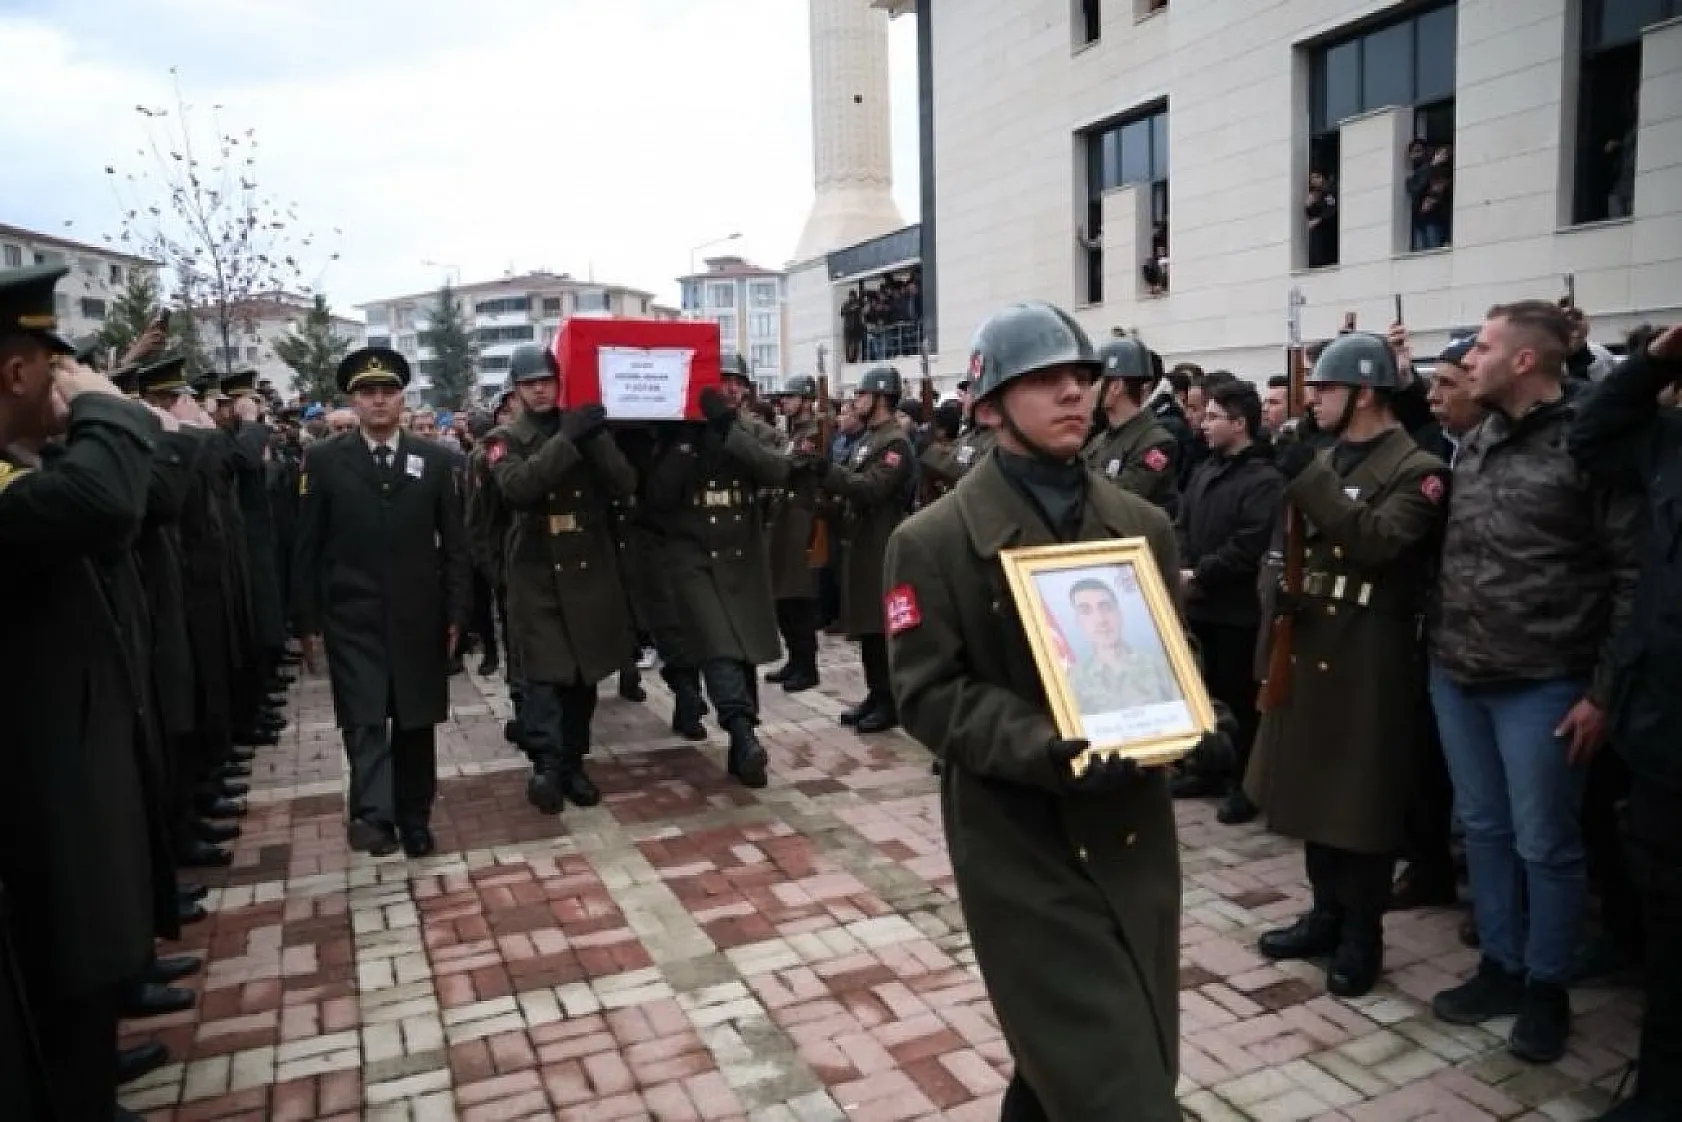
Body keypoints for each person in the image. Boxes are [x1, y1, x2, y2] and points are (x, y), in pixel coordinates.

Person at [884, 299, 1231, 1121]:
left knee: (1106, 1051)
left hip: (1133, 829)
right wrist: (1050, 744)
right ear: (992, 405)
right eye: (1044, 381)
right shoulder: (931, 541)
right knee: (1119, 1085)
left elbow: (1164, 653)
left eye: (1081, 377)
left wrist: (1199, 719)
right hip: (1021, 839)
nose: (1074, 393)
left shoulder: (1140, 524)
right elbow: (928, 695)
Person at [1428, 301, 1639, 1064]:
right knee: (1482, 830)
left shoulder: (1588, 445)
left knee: (1545, 844)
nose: (1467, 359)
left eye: (1481, 347)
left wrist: (1603, 691)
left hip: (1544, 682)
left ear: (1523, 361)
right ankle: (1501, 964)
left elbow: (1631, 575)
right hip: (1459, 671)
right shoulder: (1477, 438)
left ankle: (1546, 988)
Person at [1245, 331, 1450, 999]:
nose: (1314, 402)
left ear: (1364, 393)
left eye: (1327, 390)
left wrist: (1309, 476)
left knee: (1358, 799)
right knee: (1310, 789)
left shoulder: (1417, 468)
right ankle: (1325, 913)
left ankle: (1363, 933)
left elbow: (1377, 542)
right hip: (1308, 639)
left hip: (1368, 648)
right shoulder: (1326, 454)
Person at [0, 262, 159, 1121]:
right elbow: (103, 503)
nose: (68, 378)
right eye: (53, 362)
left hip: (54, 757)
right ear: (18, 372)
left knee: (74, 949)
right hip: (30, 777)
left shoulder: (22, 462)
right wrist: (109, 404)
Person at [292, 346, 470, 857]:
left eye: (387, 393)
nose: (378, 402)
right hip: (352, 616)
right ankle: (373, 815)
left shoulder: (435, 460)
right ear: (353, 400)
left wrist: (459, 613)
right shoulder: (325, 460)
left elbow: (455, 546)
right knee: (365, 717)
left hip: (418, 616)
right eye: (368, 393)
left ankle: (414, 815)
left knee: (414, 720)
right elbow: (307, 544)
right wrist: (306, 618)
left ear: (401, 400)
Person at [1569, 324, 1682, 1122]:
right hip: (1665, 734)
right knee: (1667, 924)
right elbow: (1593, 433)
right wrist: (1656, 360)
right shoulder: (1668, 442)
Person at [485, 344, 637, 812]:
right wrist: (567, 440)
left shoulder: (586, 430)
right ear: (516, 390)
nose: (539, 389)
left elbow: (625, 484)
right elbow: (519, 488)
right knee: (546, 680)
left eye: (546, 381)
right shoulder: (503, 439)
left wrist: (595, 438)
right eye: (530, 383)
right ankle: (548, 766)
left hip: (588, 572)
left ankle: (574, 763)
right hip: (537, 575)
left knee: (583, 680)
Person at [641, 354, 790, 785]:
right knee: (718, 644)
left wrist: (726, 430)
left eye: (736, 382)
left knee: (743, 649)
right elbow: (658, 495)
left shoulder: (755, 432)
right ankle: (742, 733)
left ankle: (744, 738)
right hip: (693, 556)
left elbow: (776, 470)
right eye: (721, 380)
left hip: (741, 555)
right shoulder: (676, 433)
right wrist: (688, 441)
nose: (729, 388)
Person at [1175, 379, 1283, 823]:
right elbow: (1182, 522)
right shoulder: (1204, 470)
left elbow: (1249, 543)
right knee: (1205, 691)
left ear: (1240, 424)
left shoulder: (1264, 479)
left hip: (1237, 609)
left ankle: (1244, 782)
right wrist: (1181, 565)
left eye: (1215, 416)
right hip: (1199, 603)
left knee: (1240, 699)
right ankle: (1209, 767)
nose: (1204, 423)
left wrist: (1201, 574)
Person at [801, 365, 915, 734]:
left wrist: (828, 473)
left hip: (882, 541)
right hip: (860, 540)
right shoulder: (869, 439)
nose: (855, 401)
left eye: (862, 395)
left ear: (880, 397)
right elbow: (849, 488)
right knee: (866, 625)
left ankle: (889, 699)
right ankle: (876, 693)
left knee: (880, 628)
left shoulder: (895, 442)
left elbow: (871, 489)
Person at [765, 374, 825, 693]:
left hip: (803, 516)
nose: (783, 402)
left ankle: (807, 664)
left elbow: (791, 465)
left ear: (804, 399)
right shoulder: (793, 432)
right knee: (784, 597)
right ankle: (795, 660)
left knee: (797, 595)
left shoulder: (814, 433)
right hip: (786, 516)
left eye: (789, 397)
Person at [1083, 336, 1180, 515]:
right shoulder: (1099, 441)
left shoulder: (1156, 443)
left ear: (1116, 387)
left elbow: (1123, 497)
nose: (1090, 389)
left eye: (1095, 381)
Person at [1063, 577, 1179, 714]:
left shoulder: (1161, 664)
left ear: (1119, 613)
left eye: (1106, 607)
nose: (1101, 620)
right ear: (1078, 621)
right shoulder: (1072, 680)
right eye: (1086, 611)